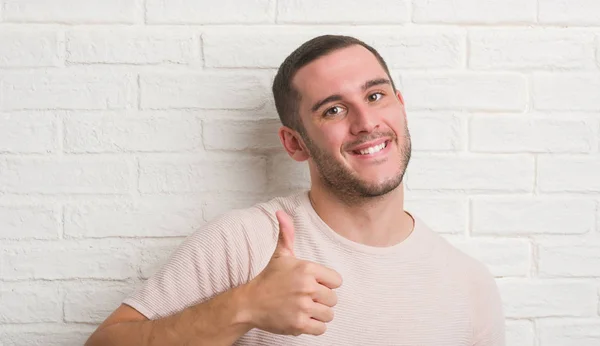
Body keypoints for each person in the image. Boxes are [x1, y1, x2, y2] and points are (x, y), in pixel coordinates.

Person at [85, 35, 505, 346]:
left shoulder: (470, 283)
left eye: (375, 96)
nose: (365, 122)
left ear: (400, 104)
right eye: (334, 110)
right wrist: (244, 306)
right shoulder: (247, 242)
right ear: (295, 143)